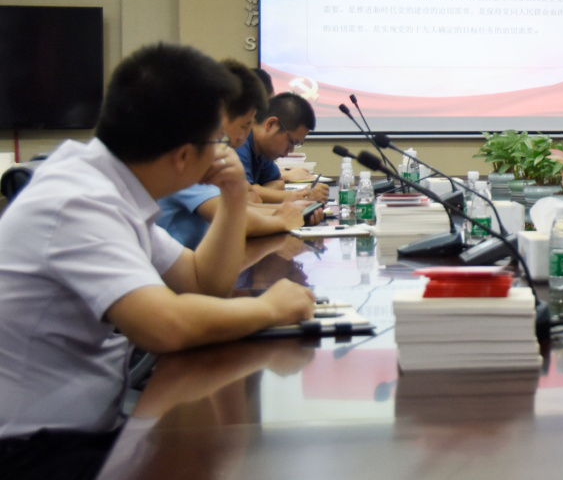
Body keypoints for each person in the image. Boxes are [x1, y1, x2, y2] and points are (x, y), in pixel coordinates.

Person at [0, 43, 315, 478]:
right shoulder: (78, 201)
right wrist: (270, 309)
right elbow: (166, 326)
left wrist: (233, 195)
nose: (224, 151)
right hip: (33, 452)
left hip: (81, 431)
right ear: (184, 155)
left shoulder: (109, 184)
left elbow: (203, 282)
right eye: (217, 141)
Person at [157, 60, 314, 249]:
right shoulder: (186, 154)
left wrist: (291, 210)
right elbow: (237, 222)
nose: (243, 136)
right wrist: (283, 219)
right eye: (245, 125)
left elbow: (244, 207)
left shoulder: (205, 150)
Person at [237, 92, 329, 204]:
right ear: (271, 124)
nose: (290, 151)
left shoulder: (263, 151)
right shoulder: (239, 143)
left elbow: (278, 184)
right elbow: (242, 195)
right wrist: (300, 196)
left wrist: (256, 191)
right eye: (291, 142)